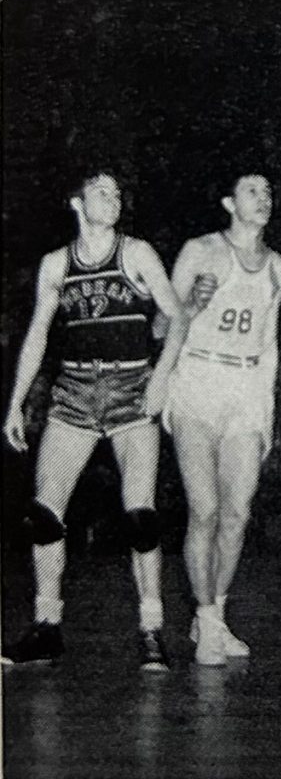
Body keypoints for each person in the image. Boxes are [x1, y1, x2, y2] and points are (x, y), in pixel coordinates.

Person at [2, 167, 188, 669]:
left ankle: (152, 630)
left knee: (140, 516)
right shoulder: (56, 264)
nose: (113, 199)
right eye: (101, 192)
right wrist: (16, 402)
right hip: (74, 391)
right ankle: (47, 627)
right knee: (44, 514)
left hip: (131, 388)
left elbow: (177, 315)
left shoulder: (137, 253)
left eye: (117, 193)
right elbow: (37, 336)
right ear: (77, 203)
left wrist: (161, 379)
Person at [162, 170, 281, 665]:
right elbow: (161, 325)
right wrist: (190, 304)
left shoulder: (277, 267)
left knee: (237, 514)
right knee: (205, 509)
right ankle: (207, 618)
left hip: (246, 387)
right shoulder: (200, 251)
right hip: (197, 380)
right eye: (252, 191)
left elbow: (270, 345)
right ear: (229, 203)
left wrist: (267, 410)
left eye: (268, 191)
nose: (263, 198)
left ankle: (212, 615)